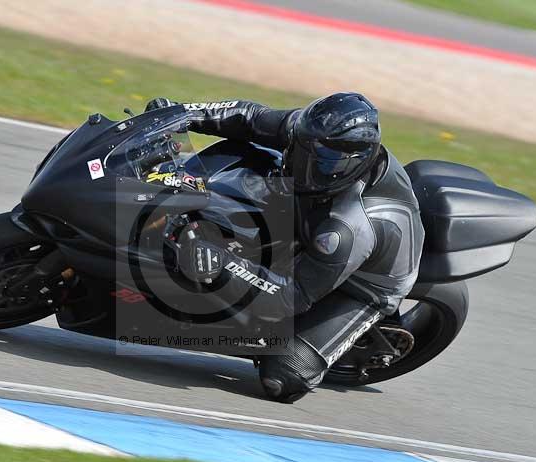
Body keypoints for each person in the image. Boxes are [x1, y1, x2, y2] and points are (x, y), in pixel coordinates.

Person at [146, 93, 425, 403]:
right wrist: (179, 113)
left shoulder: (346, 228)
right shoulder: (314, 133)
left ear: (349, 165)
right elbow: (249, 115)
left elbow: (290, 297)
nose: (301, 159)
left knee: (282, 379)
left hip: (364, 284)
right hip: (309, 211)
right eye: (302, 147)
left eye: (320, 159)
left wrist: (224, 265)